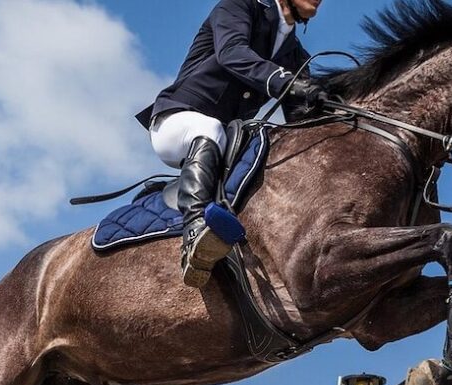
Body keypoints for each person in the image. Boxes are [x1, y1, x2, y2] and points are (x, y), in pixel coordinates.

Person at [136, 0, 328, 288]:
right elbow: (232, 53)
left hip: (228, 141)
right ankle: (195, 231)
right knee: (210, 127)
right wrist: (286, 82)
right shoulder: (237, 6)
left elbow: (300, 120)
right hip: (177, 120)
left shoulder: (296, 55)